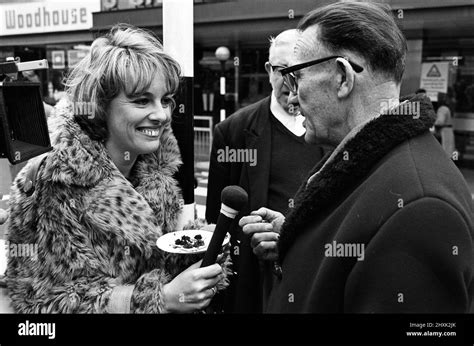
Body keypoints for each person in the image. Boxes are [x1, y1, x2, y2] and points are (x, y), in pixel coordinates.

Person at [240, 1, 473, 313]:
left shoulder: (418, 210)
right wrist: (298, 238)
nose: (292, 96)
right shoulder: (376, 160)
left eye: (296, 77)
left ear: (342, 77)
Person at [6, 24, 230, 313]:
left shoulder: (157, 165)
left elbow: (159, 257)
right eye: (141, 101)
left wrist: (204, 248)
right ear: (101, 105)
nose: (161, 115)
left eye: (166, 100)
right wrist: (160, 298)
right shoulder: (54, 178)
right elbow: (43, 301)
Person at [206, 29, 326, 313]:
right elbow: (217, 220)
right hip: (253, 286)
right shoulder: (233, 131)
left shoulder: (332, 129)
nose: (290, 81)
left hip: (315, 277)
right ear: (268, 70)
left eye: (300, 70)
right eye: (282, 69)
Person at [435, 92, 455, 157]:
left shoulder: (442, 109)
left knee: (445, 153)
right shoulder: (447, 108)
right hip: (448, 131)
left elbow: (440, 122)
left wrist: (431, 122)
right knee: (449, 152)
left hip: (444, 132)